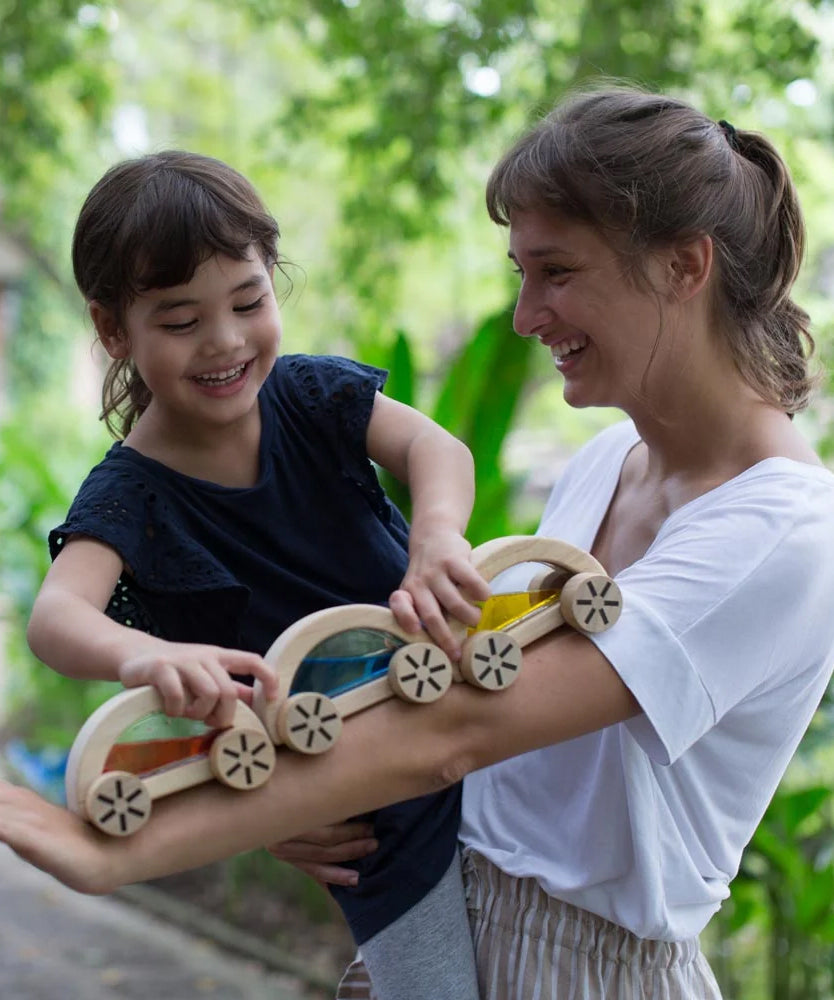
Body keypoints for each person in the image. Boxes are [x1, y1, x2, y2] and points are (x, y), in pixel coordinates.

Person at [2, 85, 834, 999]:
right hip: (437, 892)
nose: (524, 316)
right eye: (521, 274)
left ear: (685, 266)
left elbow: (460, 731)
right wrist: (300, 785)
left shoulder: (782, 534)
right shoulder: (608, 461)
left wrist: (121, 851)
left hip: (582, 968)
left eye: (555, 272)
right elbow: (485, 725)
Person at [22, 150, 491, 1000]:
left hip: (471, 712)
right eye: (180, 320)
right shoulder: (129, 494)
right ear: (112, 329)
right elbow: (57, 618)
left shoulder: (312, 396)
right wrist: (139, 656)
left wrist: (437, 537)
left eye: (249, 301)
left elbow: (437, 449)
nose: (226, 341)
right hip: (361, 811)